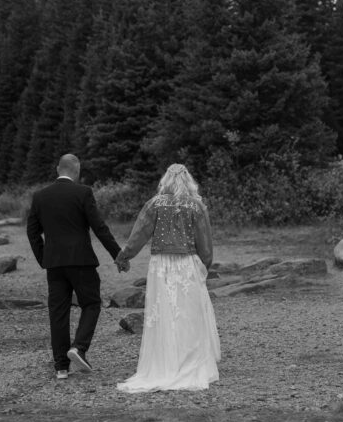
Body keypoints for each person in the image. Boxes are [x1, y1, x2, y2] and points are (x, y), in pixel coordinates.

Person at [114, 164, 220, 392]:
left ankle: (163, 362)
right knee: (188, 313)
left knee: (163, 313)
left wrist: (125, 256)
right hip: (186, 264)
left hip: (161, 266)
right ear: (188, 181)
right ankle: (189, 361)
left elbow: (139, 233)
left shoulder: (155, 204)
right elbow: (205, 243)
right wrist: (205, 265)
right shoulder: (196, 206)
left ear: (166, 181)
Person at [26, 154, 121, 380]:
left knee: (58, 312)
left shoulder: (40, 196)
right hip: (81, 261)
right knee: (92, 303)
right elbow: (99, 227)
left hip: (55, 264)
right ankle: (79, 347)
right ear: (77, 172)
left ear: (58, 168)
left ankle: (61, 367)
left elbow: (32, 232)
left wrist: (44, 258)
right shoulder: (83, 193)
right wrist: (118, 255)